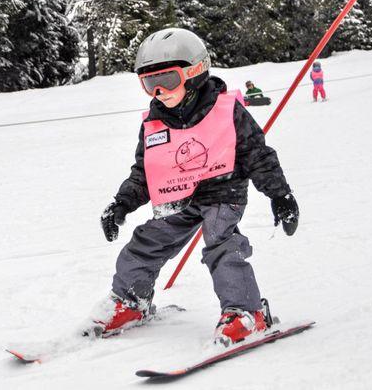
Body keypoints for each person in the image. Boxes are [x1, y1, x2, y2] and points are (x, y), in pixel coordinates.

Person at [88, 28, 299, 347]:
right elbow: (145, 172)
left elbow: (258, 155)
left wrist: (280, 195)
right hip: (178, 196)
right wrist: (121, 203)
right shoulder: (154, 123)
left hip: (222, 193)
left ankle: (246, 312)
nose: (158, 91)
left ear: (195, 71)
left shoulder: (226, 111)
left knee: (221, 241)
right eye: (149, 83)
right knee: (145, 242)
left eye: (167, 80)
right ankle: (131, 302)